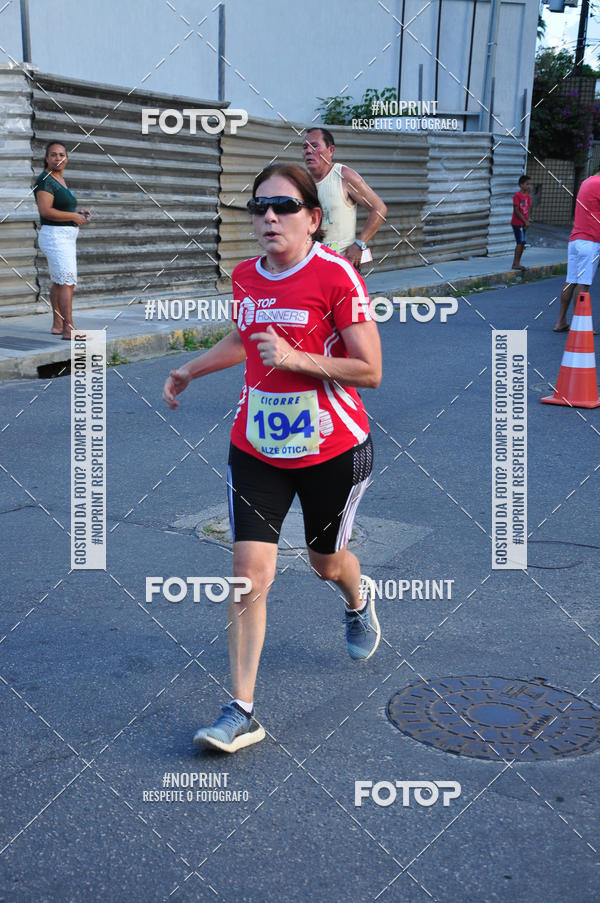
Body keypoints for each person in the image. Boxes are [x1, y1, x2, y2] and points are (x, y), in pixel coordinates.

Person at [163, 162, 382, 754]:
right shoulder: (245, 276)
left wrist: (294, 358)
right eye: (259, 207)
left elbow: (370, 369)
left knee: (324, 563)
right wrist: (190, 368)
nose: (268, 218)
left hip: (332, 449)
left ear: (313, 218)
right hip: (256, 448)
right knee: (248, 577)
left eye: (283, 207)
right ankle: (241, 710)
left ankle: (358, 602)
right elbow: (244, 338)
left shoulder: (337, 278)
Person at [302, 127, 387, 269]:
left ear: (331, 150)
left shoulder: (343, 176)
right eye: (305, 147)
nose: (309, 151)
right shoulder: (303, 182)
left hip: (341, 264)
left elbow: (379, 209)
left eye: (315, 146)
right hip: (311, 264)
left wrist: (360, 244)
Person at [33, 142, 91, 339]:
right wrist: (73, 217)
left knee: (61, 282)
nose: (58, 158)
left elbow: (61, 208)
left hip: (66, 236)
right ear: (46, 158)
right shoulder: (45, 180)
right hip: (54, 236)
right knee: (66, 281)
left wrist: (77, 214)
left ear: (66, 158)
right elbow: (45, 211)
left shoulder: (60, 179)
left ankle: (58, 324)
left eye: (61, 155)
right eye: (53, 155)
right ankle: (69, 329)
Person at [554, 171, 600, 332]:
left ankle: (560, 322)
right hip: (590, 241)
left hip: (575, 239)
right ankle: (580, 326)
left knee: (570, 281)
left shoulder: (587, 182)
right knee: (583, 284)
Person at [511, 174, 531, 271]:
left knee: (522, 243)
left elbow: (528, 209)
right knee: (519, 242)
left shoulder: (527, 196)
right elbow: (516, 210)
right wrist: (524, 221)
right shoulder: (517, 196)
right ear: (521, 185)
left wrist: (528, 220)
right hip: (517, 223)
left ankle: (517, 262)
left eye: (529, 184)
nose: (528, 186)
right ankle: (516, 263)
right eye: (527, 184)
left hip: (524, 223)